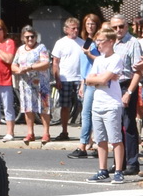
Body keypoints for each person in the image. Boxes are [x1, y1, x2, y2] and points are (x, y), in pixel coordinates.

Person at [84, 24, 127, 183]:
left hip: (111, 104)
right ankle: (102, 169)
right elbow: (89, 79)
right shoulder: (99, 60)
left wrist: (99, 79)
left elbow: (101, 79)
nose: (98, 44)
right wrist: (100, 79)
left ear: (110, 41)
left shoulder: (116, 58)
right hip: (98, 104)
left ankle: (118, 170)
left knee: (115, 139)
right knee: (100, 139)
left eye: (100, 41)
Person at [68, 11, 103, 159]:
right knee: (90, 113)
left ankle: (83, 145)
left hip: (95, 82)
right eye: (88, 23)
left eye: (93, 23)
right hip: (86, 81)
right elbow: (85, 66)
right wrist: (82, 83)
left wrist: (89, 54)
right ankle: (94, 144)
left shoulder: (99, 41)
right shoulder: (87, 40)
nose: (90, 26)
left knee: (87, 113)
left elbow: (101, 61)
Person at [50, 16, 89, 141]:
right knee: (65, 106)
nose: (75, 31)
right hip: (65, 78)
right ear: (66, 29)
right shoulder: (60, 43)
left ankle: (85, 133)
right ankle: (64, 131)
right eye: (73, 28)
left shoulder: (82, 43)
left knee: (83, 105)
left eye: (77, 28)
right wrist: (57, 79)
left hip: (79, 79)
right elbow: (55, 62)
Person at [12, 25, 52, 145]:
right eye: (27, 37)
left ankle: (46, 133)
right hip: (26, 84)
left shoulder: (41, 47)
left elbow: (45, 63)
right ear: (23, 38)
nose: (30, 39)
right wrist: (18, 70)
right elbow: (13, 64)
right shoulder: (20, 50)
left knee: (44, 108)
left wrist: (30, 67)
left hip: (41, 83)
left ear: (36, 37)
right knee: (28, 108)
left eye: (32, 36)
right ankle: (30, 133)